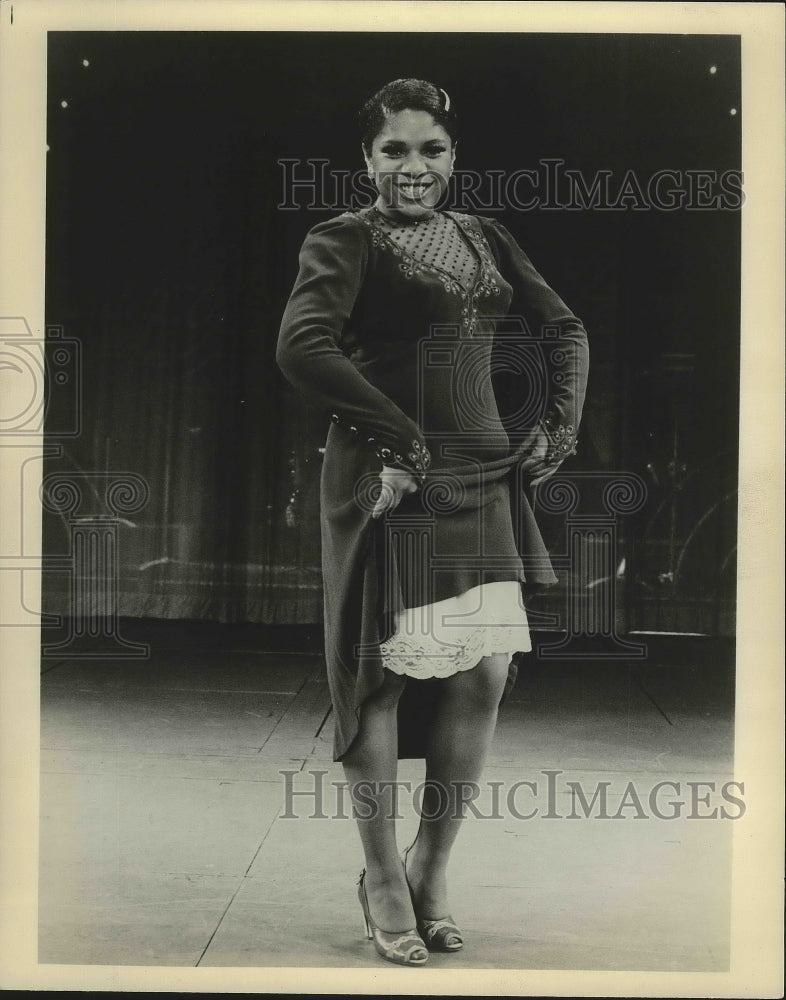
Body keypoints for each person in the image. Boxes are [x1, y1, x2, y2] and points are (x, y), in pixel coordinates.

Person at [276, 78, 589, 967]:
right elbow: (303, 346)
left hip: (485, 475)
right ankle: (379, 877)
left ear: (453, 157)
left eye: (433, 150)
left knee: (482, 672)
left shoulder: (486, 234)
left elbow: (563, 327)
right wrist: (401, 438)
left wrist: (557, 426)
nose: (415, 168)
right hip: (390, 477)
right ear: (365, 160)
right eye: (395, 151)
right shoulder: (344, 238)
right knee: (381, 675)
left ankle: (433, 867)